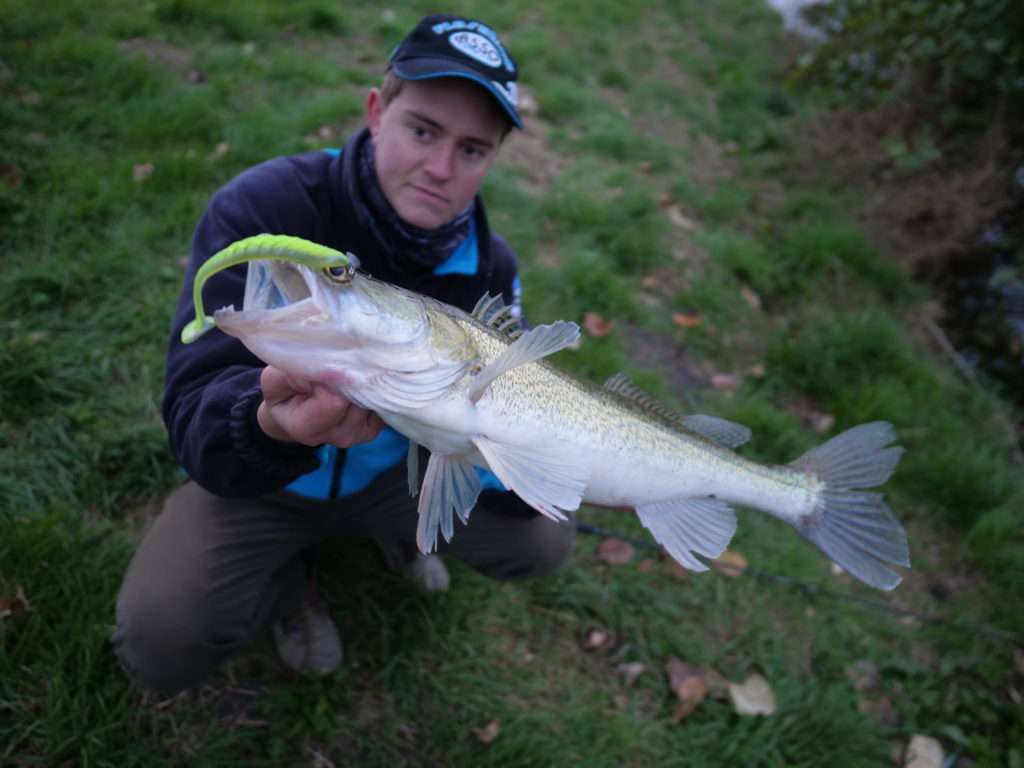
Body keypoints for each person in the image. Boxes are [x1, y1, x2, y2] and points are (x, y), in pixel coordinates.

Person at [113, 13, 576, 694]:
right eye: (423, 131)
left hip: (397, 473)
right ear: (377, 112)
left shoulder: (490, 267)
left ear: (494, 157)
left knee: (542, 538)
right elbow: (192, 419)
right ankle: (290, 579)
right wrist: (267, 425)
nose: (440, 169)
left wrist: (556, 469)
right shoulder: (265, 209)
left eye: (473, 149)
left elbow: (510, 423)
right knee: (158, 640)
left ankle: (396, 531)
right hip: (265, 483)